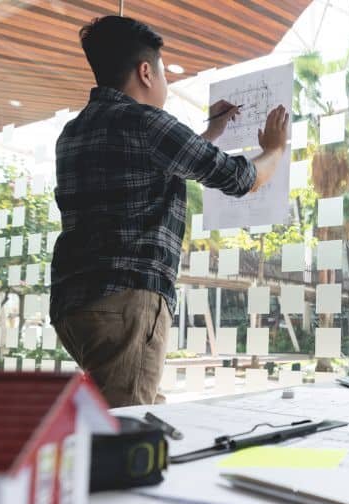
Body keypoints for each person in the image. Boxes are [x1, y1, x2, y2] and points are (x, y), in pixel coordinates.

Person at [50, 16, 289, 407]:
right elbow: (240, 177)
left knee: (127, 406)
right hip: (126, 301)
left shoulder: (74, 131)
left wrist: (212, 133)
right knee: (128, 423)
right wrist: (275, 148)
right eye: (164, 74)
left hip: (74, 304)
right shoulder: (147, 123)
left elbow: (151, 166)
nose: (166, 84)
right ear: (146, 72)